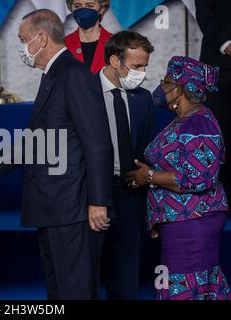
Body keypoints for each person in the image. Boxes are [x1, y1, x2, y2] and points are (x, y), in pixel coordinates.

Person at [0, 9, 113, 300]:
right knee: (58, 290)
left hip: (73, 208)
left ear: (41, 39)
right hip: (54, 208)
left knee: (76, 290)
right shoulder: (53, 74)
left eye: (23, 40)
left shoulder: (73, 74)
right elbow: (38, 141)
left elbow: (97, 143)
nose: (22, 47)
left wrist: (98, 202)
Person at [126, 56, 231, 300]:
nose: (161, 87)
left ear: (182, 88)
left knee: (183, 287)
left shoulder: (200, 123)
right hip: (180, 220)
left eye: (166, 82)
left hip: (195, 221)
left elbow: (201, 178)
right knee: (176, 285)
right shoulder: (183, 120)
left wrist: (149, 176)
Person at [96, 31, 155, 299]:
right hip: (94, 193)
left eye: (145, 66)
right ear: (115, 61)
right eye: (136, 66)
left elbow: (149, 146)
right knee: (87, 274)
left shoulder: (143, 98)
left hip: (131, 193)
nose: (141, 73)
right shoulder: (84, 91)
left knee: (126, 276)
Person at [196, 0, 231, 217]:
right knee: (220, 140)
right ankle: (223, 206)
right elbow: (204, 12)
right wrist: (226, 45)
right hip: (221, 65)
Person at [65, 0, 112, 74]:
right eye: (77, 6)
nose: (83, 10)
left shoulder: (115, 43)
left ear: (102, 8)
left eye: (90, 6)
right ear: (71, 8)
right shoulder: (63, 45)